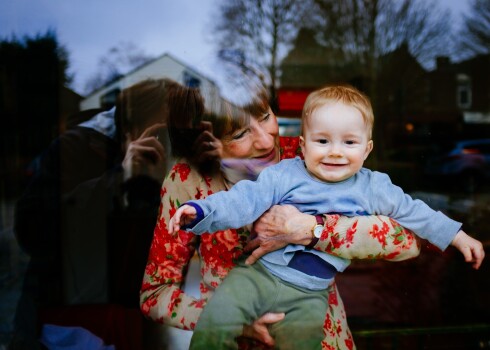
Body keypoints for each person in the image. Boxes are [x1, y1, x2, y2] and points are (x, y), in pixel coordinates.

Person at [169, 84, 485, 349]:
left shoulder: (374, 187)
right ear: (303, 146)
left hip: (309, 292)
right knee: (215, 320)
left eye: (349, 142)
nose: (335, 151)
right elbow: (243, 200)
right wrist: (200, 211)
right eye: (323, 141)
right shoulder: (285, 172)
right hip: (257, 277)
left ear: (367, 149)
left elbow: (414, 216)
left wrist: (456, 235)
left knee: (304, 342)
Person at [10, 78, 211, 350]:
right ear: (130, 129)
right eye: (164, 132)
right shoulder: (78, 149)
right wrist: (117, 180)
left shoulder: (178, 169)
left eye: (182, 135)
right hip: (66, 324)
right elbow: (31, 231)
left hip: (138, 322)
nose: (172, 144)